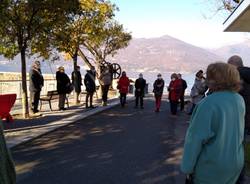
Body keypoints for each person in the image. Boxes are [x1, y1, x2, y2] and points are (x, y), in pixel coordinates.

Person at [181, 63, 245, 184]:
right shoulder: (238, 99)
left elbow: (195, 139)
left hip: (211, 167)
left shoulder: (207, 104)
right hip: (235, 163)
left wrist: (187, 167)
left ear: (214, 80)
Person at [228, 55, 250, 183]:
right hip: (247, 120)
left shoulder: (237, 78)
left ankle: (237, 179)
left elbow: (232, 99)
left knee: (234, 150)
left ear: (233, 65)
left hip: (238, 119)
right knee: (239, 149)